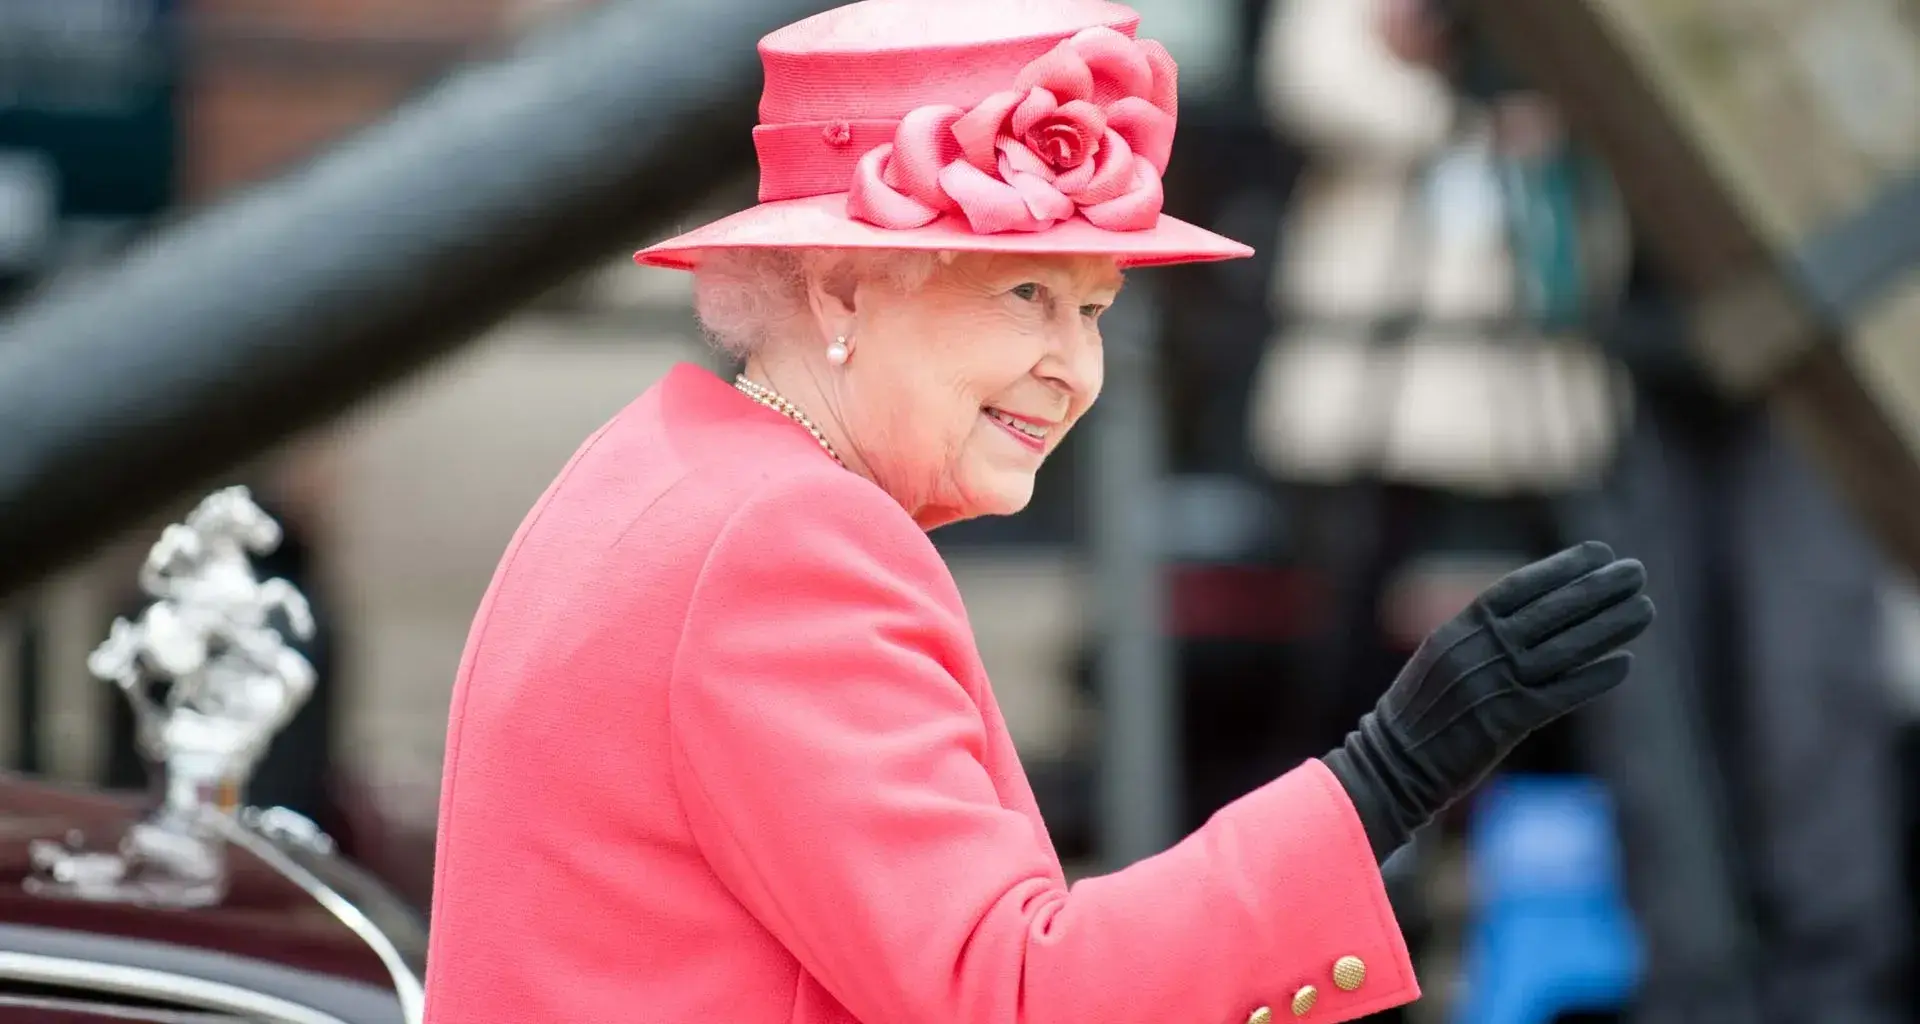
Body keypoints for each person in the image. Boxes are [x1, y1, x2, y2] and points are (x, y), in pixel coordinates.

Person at [419, 2, 1654, 1022]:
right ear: (845, 289)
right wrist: (1384, 777)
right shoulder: (789, 541)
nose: (1076, 367)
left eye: (1095, 308)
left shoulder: (667, 467)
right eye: (1023, 292)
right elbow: (1015, 993)